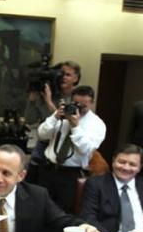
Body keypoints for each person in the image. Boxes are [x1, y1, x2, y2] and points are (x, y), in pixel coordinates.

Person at [80, 144, 143, 232]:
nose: (126, 168)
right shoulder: (96, 184)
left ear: (140, 167)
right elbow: (88, 217)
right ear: (113, 161)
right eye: (122, 162)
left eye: (132, 164)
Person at [37, 85, 106, 214]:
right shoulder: (62, 115)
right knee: (40, 208)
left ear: (92, 103)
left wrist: (75, 127)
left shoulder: (97, 124)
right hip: (47, 169)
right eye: (76, 103)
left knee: (63, 213)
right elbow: (42, 134)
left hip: (71, 175)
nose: (78, 108)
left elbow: (86, 149)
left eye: (83, 105)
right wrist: (55, 117)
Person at [25, 60, 81, 184]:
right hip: (42, 148)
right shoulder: (49, 93)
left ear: (76, 78)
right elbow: (29, 120)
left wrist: (49, 102)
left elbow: (64, 123)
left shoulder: (77, 98)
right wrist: (32, 100)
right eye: (61, 74)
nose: (63, 77)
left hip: (63, 152)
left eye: (68, 75)